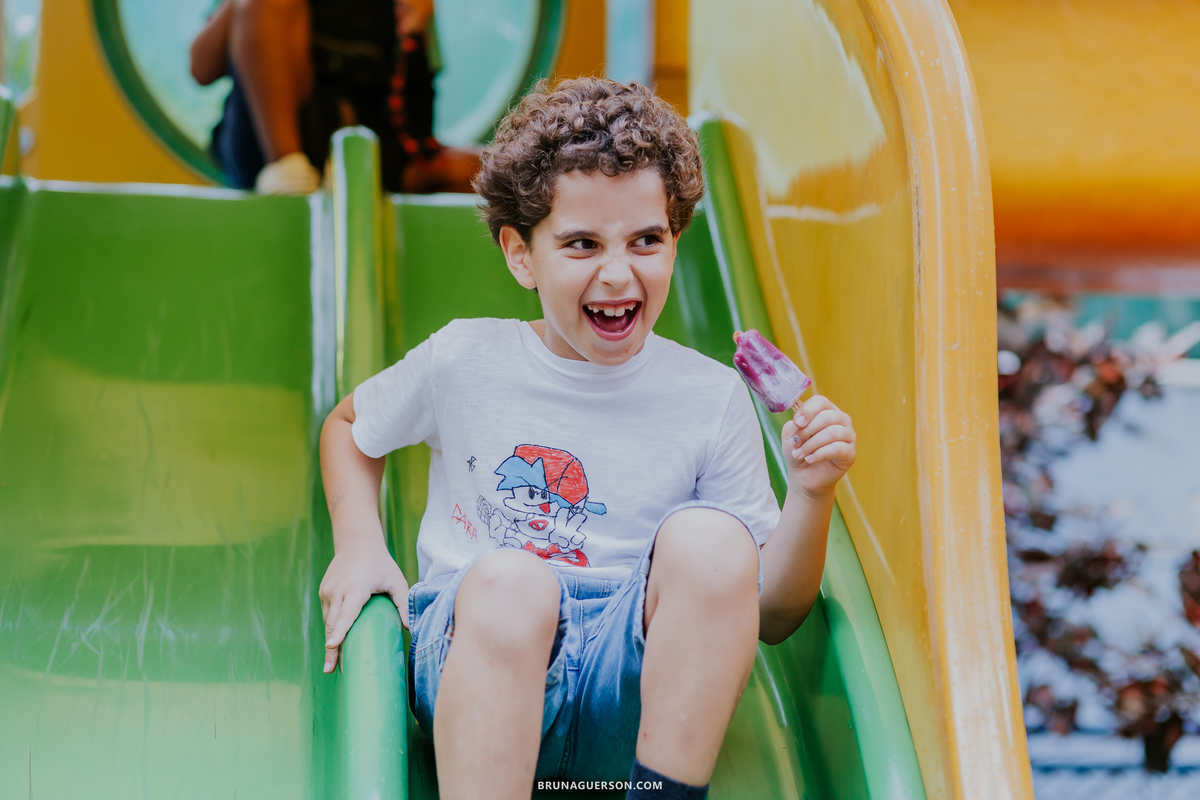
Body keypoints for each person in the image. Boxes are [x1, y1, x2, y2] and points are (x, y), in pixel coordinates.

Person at [317, 78, 858, 800]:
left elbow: (773, 614)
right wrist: (359, 545)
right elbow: (351, 426)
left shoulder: (709, 396)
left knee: (714, 540)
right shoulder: (466, 360)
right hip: (478, 659)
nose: (617, 271)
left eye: (646, 240)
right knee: (512, 582)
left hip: (628, 681)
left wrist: (812, 493)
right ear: (521, 255)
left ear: (674, 241)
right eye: (581, 243)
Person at [189, 0, 480, 194]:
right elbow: (201, 70)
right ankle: (288, 169)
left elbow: (417, 121)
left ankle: (340, 174)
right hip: (270, 142)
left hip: (365, 144)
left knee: (497, 171)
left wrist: (415, 30)